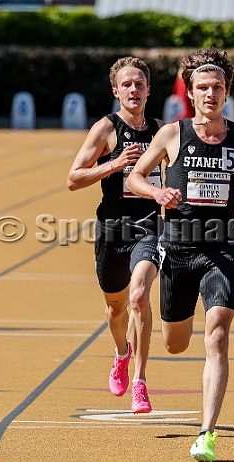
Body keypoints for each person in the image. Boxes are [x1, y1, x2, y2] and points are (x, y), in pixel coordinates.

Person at [126, 48, 234, 462]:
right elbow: (134, 177)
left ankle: (207, 433)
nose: (211, 94)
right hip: (178, 250)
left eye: (218, 87)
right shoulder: (171, 134)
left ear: (227, 91)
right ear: (191, 91)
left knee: (217, 333)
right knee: (176, 343)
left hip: (220, 249)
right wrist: (157, 192)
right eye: (203, 87)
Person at [67, 57, 164, 414]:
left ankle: (140, 381)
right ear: (116, 91)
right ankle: (121, 353)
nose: (133, 90)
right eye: (127, 84)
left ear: (149, 90)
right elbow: (73, 179)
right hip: (113, 228)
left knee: (139, 296)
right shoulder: (105, 129)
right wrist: (114, 164)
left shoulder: (162, 129)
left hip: (151, 226)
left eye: (139, 83)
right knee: (116, 307)